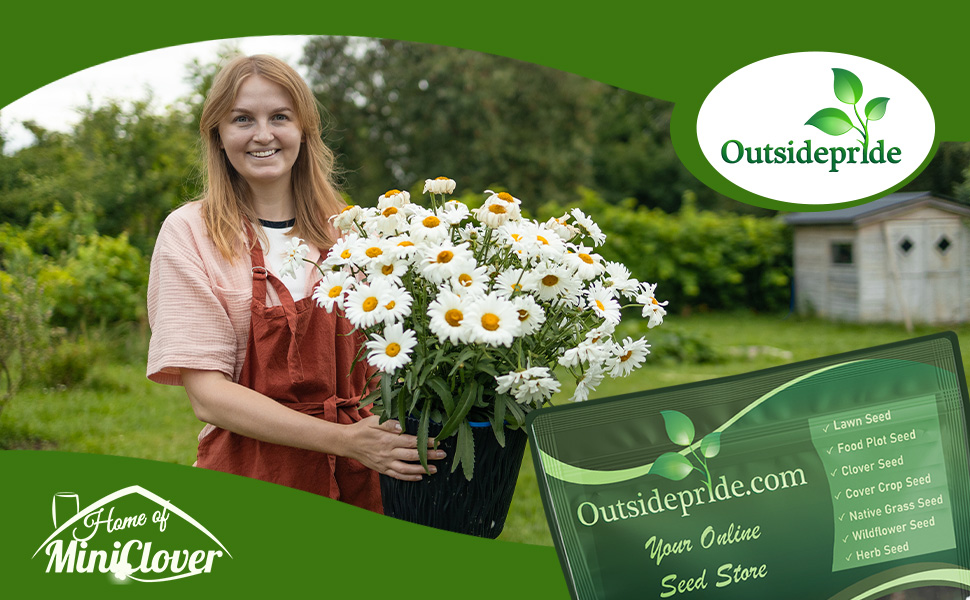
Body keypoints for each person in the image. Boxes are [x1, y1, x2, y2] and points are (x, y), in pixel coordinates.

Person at [146, 54, 442, 512]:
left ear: (304, 130)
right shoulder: (191, 232)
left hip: (365, 480)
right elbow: (209, 397)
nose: (262, 134)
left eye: (279, 117)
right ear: (218, 136)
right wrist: (346, 440)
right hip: (250, 477)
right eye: (242, 119)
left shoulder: (351, 231)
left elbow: (394, 358)